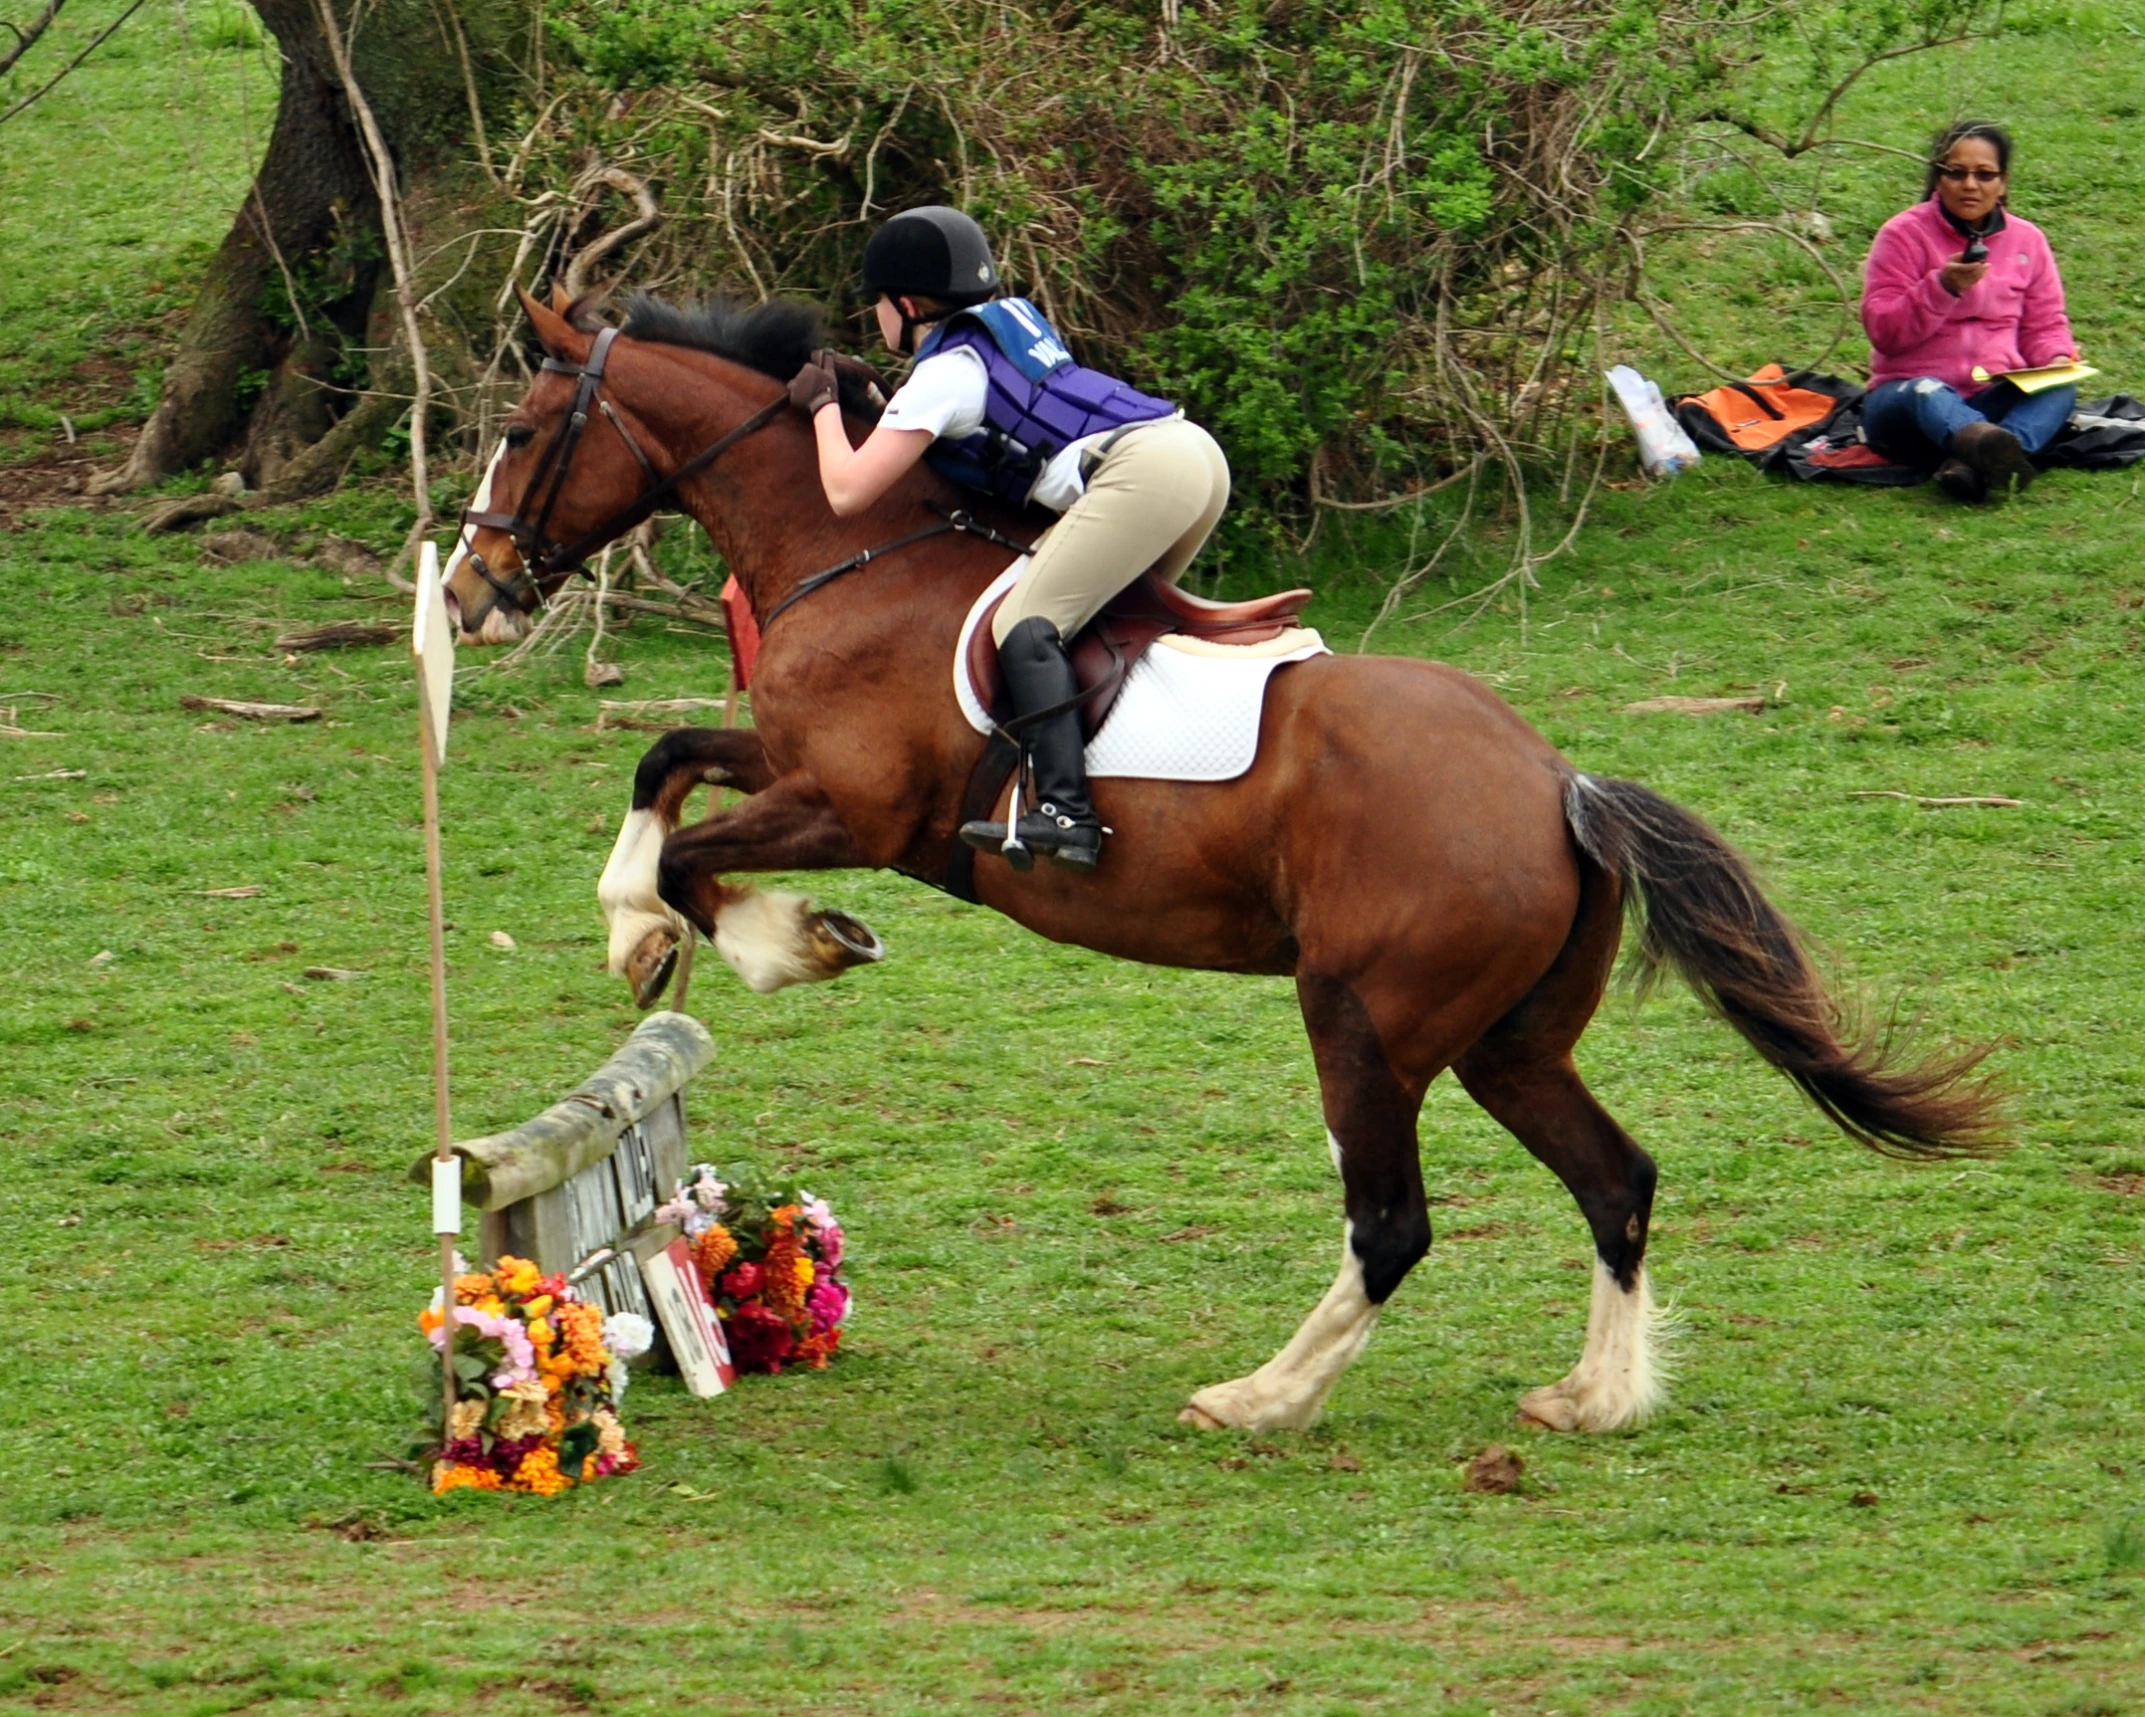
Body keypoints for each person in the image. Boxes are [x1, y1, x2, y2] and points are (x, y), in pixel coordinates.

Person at [784, 206, 1230, 873]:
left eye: (876, 303)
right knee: (1102, 629)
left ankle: (1067, 814)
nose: (875, 317)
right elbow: (983, 437)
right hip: (1192, 455)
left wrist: (821, 406)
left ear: (905, 304)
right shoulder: (1006, 328)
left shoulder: (942, 375)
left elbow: (847, 491)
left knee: (1024, 624)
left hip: (1143, 473)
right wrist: (880, 402)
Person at [1860, 120, 2079, 501]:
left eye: (1985, 174)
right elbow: (1884, 331)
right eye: (1957, 173)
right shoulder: (1901, 235)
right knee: (1927, 393)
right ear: (1938, 178)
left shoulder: (2029, 239)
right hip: (1907, 399)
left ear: (2003, 182)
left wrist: (2057, 357)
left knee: (2060, 387)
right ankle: (1991, 451)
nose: (1971, 185)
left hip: (1988, 392)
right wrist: (1943, 287)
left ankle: (1982, 461)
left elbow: (2045, 325)